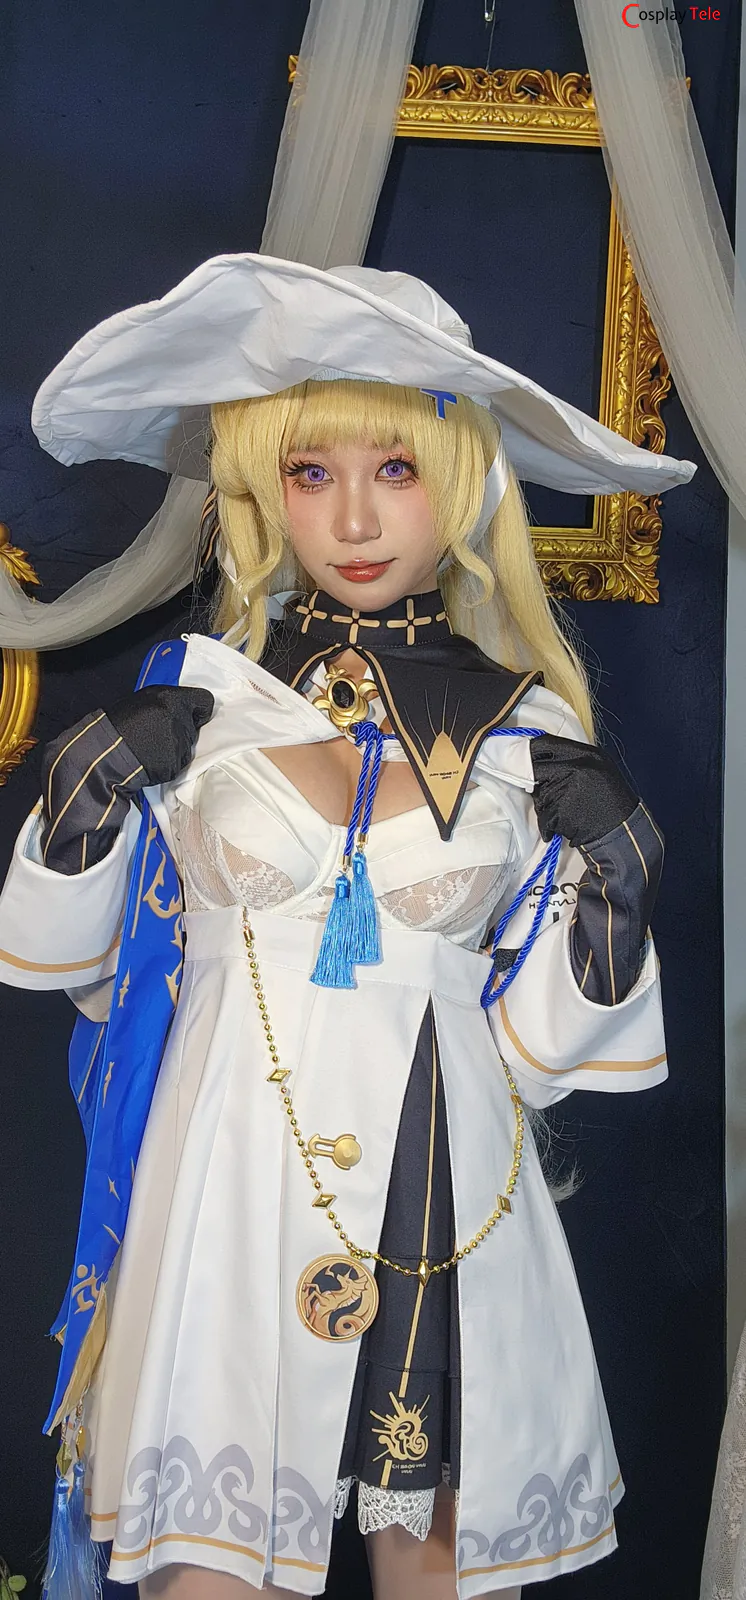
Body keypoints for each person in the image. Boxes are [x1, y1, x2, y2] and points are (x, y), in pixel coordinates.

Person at [0, 255, 695, 1600]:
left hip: (446, 1192)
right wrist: (83, 798)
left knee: (437, 1563)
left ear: (464, 481)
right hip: (227, 1184)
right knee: (210, 1563)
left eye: (398, 468)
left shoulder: (526, 733)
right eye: (311, 472)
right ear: (262, 488)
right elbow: (84, 974)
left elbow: (544, 1053)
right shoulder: (199, 706)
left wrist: (616, 877)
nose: (355, 517)